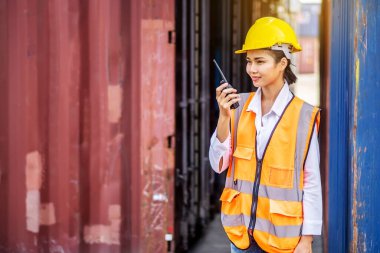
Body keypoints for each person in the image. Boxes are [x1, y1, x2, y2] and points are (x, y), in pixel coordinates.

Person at [209, 17, 322, 253]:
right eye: (249, 61)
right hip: (241, 237)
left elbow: (311, 181)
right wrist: (223, 117)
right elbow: (218, 164)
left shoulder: (304, 116)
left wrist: (307, 240)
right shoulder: (237, 107)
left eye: (260, 61)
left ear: (282, 63)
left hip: (282, 239)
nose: (252, 69)